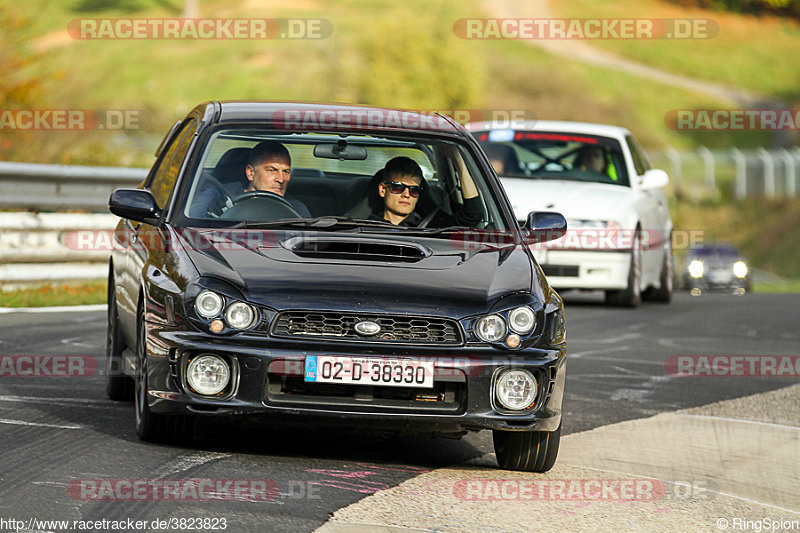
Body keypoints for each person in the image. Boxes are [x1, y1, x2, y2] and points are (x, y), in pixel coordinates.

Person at [189, 140, 311, 218]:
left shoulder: (297, 209)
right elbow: (189, 229)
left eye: (286, 171)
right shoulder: (216, 195)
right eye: (271, 170)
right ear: (250, 173)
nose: (280, 179)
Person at [369, 150, 482, 228]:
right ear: (382, 189)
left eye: (414, 190)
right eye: (398, 187)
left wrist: (456, 158)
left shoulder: (433, 227)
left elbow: (473, 215)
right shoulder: (362, 227)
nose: (406, 194)